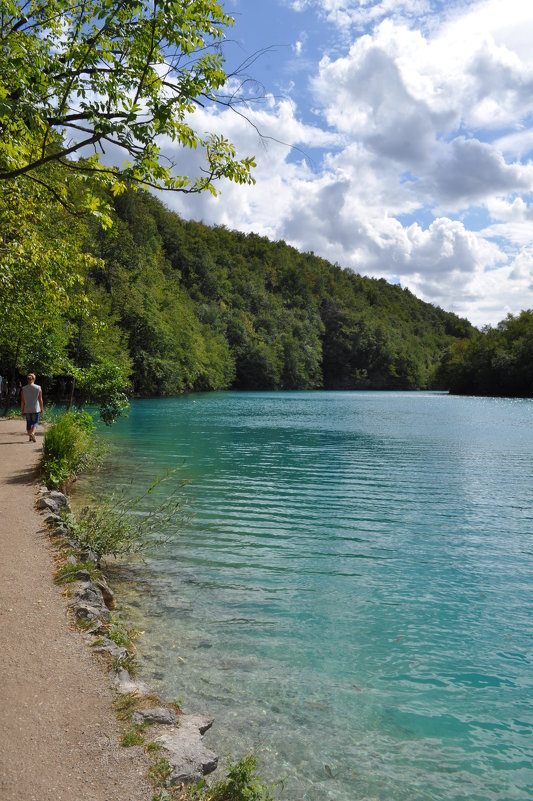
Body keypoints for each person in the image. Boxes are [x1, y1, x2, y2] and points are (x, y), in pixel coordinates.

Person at [21, 373, 43, 443]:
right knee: (35, 423)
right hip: (35, 409)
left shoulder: (23, 388)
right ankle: (33, 433)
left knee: (28, 423)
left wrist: (22, 410)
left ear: (27, 380)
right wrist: (42, 408)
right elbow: (40, 399)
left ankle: (30, 436)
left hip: (27, 409)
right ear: (34, 379)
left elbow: (22, 401)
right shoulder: (38, 387)